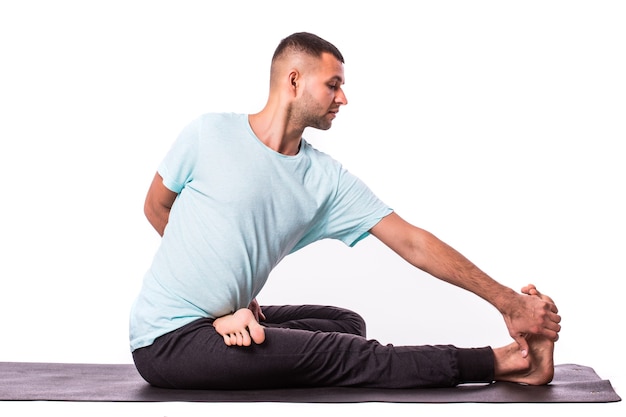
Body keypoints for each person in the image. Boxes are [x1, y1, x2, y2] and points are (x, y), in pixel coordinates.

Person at [129, 32, 561, 390]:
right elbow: (156, 207)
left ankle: (268, 351)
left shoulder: (324, 179)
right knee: (348, 354)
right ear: (294, 81)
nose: (344, 98)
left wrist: (506, 300)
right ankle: (509, 362)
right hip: (168, 340)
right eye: (333, 85)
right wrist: (216, 307)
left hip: (224, 318)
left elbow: (411, 241)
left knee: (345, 323)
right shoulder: (209, 134)